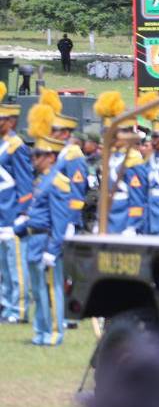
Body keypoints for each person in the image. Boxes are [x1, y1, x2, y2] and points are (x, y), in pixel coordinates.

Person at [15, 136, 72, 346]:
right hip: (33, 239)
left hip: (46, 240)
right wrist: (19, 227)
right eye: (34, 154)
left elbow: (59, 220)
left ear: (51, 157)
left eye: (38, 155)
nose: (34, 159)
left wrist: (53, 249)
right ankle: (40, 331)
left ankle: (55, 333)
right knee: (38, 291)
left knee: (51, 290)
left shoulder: (58, 181)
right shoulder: (40, 180)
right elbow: (34, 213)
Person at [0, 103, 33, 322]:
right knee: (3, 267)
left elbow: (25, 181)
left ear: (11, 121)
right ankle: (5, 307)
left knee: (16, 267)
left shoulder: (16, 146)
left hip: (12, 214)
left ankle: (19, 310)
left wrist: (24, 212)